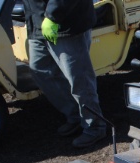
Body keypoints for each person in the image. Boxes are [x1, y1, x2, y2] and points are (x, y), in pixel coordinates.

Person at [22, 0, 107, 148]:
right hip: (38, 21)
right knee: (40, 70)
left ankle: (95, 126)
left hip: (67, 22)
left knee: (79, 79)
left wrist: (52, 16)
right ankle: (75, 115)